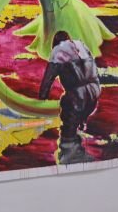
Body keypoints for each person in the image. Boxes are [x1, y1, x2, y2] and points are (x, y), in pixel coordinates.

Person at [38, 31, 101, 163]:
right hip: (94, 92)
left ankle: (69, 154)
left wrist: (42, 98)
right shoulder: (81, 46)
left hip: (78, 96)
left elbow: (48, 78)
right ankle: (77, 149)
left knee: (68, 116)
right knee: (77, 118)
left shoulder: (58, 50)